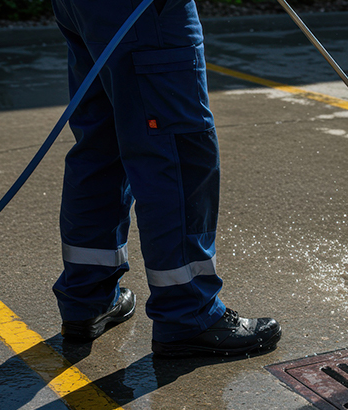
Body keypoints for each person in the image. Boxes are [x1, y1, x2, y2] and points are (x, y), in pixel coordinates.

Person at [50, 0, 280, 357]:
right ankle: (189, 313)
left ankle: (87, 298)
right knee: (177, 152)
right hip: (143, 10)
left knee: (102, 145)